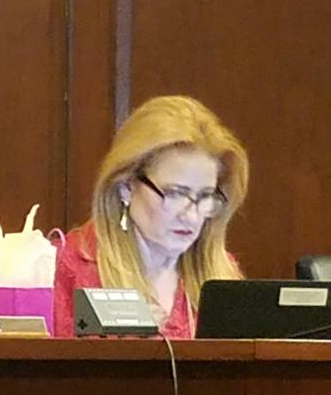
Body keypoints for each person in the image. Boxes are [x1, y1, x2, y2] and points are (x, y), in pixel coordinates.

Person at [53, 96, 248, 338]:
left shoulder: (221, 273)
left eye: (205, 196)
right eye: (176, 194)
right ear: (126, 187)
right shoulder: (66, 267)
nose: (192, 215)